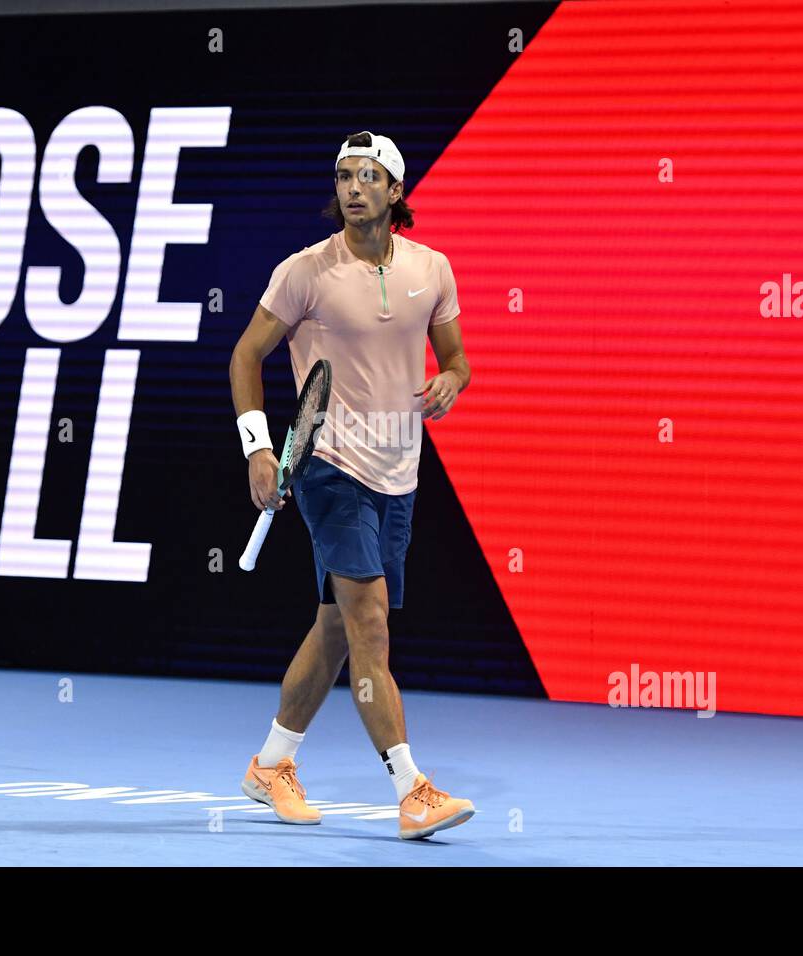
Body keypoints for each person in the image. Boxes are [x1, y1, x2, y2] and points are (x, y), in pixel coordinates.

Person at [228, 131, 475, 840]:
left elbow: (456, 357)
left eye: (368, 176)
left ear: (396, 191)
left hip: (401, 474)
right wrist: (259, 448)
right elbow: (247, 352)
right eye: (343, 176)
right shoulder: (305, 272)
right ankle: (411, 788)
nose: (353, 187)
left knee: (336, 628)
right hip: (330, 469)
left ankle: (271, 765)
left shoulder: (433, 268)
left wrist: (451, 381)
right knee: (370, 625)